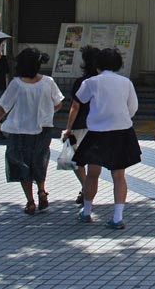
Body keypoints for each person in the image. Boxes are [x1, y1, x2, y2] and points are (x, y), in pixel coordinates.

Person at [64, 48, 141, 229]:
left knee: (92, 174)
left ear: (97, 65)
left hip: (97, 132)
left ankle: (86, 212)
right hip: (122, 131)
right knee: (119, 176)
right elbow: (133, 107)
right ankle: (117, 216)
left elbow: (79, 101)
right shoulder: (126, 82)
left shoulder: (91, 82)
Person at [0, 49, 63, 216]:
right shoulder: (48, 81)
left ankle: (30, 202)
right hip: (43, 129)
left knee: (21, 164)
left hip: (19, 131)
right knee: (39, 160)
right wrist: (46, 113)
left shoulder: (16, 83)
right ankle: (42, 190)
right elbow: (58, 103)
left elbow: (3, 107)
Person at [62, 46, 100, 206]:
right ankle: (87, 190)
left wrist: (68, 127)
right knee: (94, 162)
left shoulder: (81, 82)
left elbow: (75, 106)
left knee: (77, 160)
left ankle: (85, 187)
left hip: (79, 125)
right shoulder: (101, 82)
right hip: (98, 126)